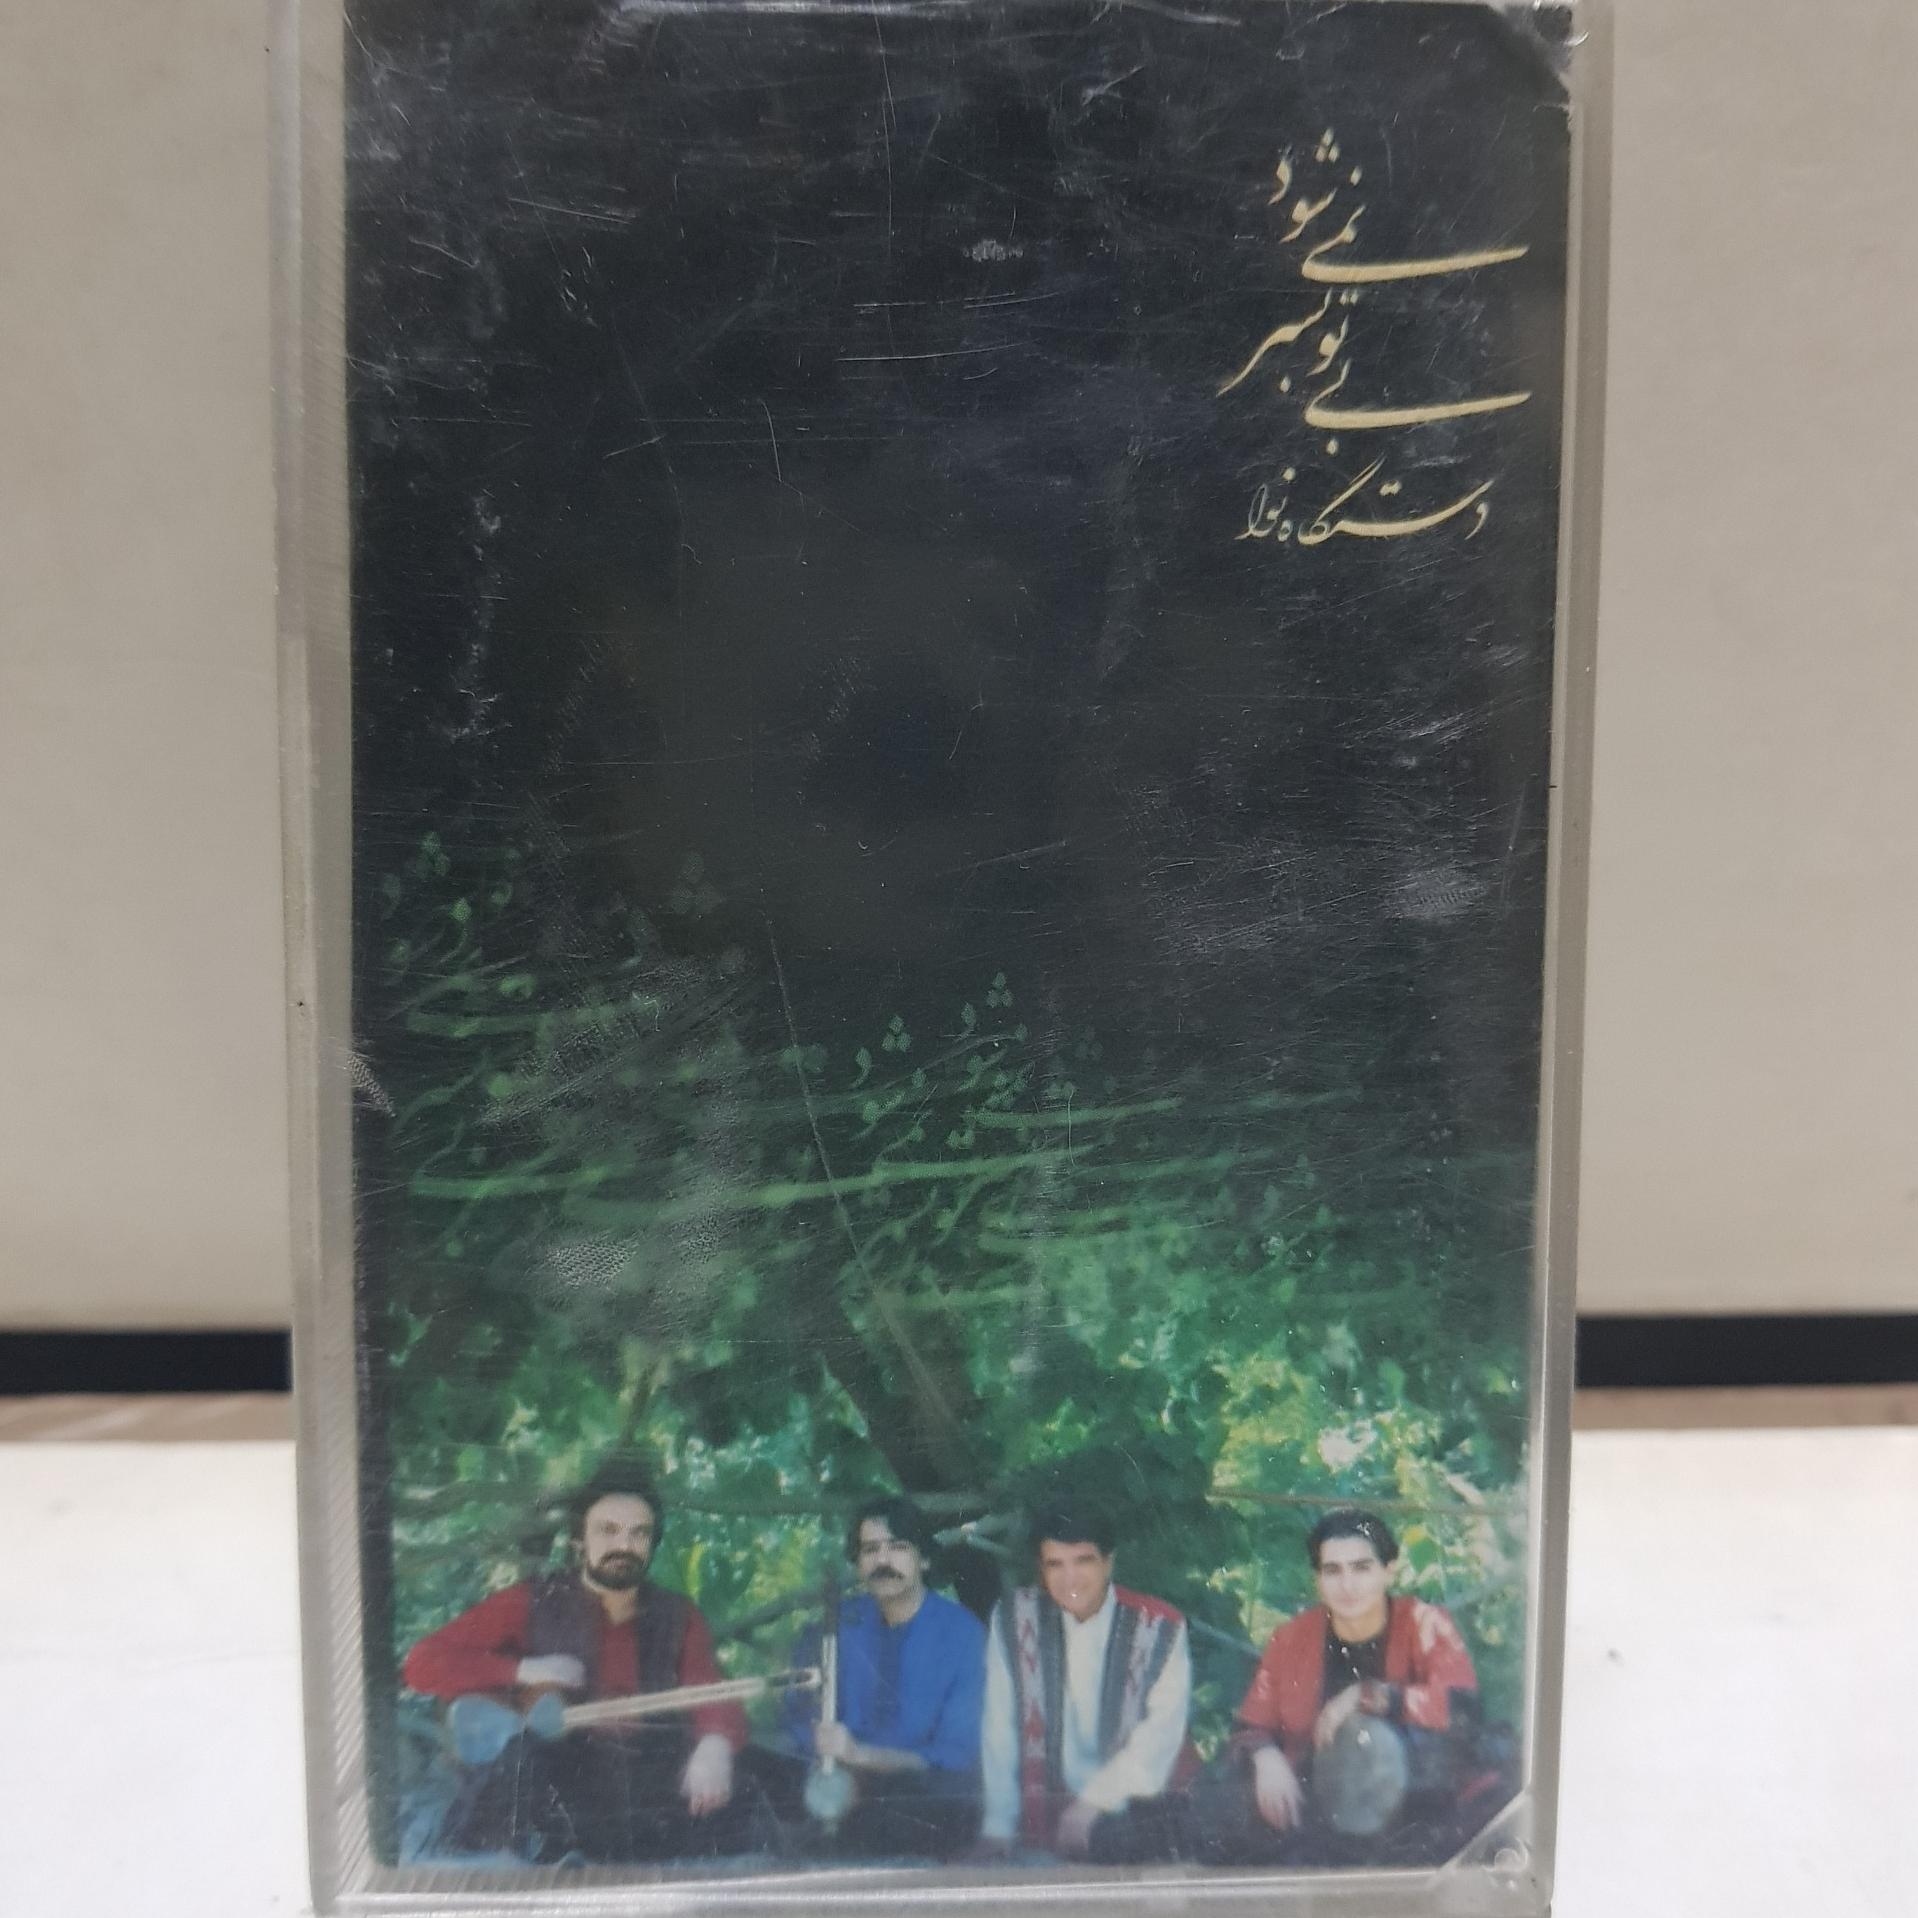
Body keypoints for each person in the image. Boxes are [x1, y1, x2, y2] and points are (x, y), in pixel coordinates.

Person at [402, 1459, 776, 1863]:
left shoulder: (677, 1615)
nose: (624, 1546)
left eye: (639, 1533)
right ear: (579, 1539)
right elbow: (422, 1664)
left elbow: (711, 1689)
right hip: (558, 1781)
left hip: (650, 1784)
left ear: (652, 1542)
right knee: (520, 1768)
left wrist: (715, 1745)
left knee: (754, 1786)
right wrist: (526, 1670)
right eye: (608, 1530)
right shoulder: (532, 1600)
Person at [1196, 1508, 1480, 1865]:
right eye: (1333, 1571)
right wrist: (1265, 1756)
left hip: (1410, 1816)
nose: (1348, 1585)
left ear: (1388, 1571)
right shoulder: (1292, 1637)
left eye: (1361, 1568)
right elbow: (1251, 1724)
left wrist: (1367, 1696)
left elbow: (1461, 1706)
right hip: (1310, 1812)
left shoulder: (1424, 1624)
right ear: (1317, 1579)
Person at [975, 1502, 1194, 1863]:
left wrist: (1093, 1803)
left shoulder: (1159, 1625)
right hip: (1046, 1802)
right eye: (1055, 1564)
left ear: (1108, 1562)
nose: (1070, 1578)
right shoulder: (1014, 1618)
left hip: (1135, 1800)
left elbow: (1159, 1737)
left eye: (1083, 1561)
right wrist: (997, 1824)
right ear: (1041, 1569)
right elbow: (999, 1725)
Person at [772, 1495, 986, 1857]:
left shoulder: (962, 1634)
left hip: (916, 1795)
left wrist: (862, 1757)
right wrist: (834, 1763)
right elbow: (797, 1717)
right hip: (837, 1783)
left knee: (933, 1799)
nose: (883, 1561)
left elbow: (956, 1753)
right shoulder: (835, 1625)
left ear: (924, 1559)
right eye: (871, 1549)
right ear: (858, 1563)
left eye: (898, 1547)